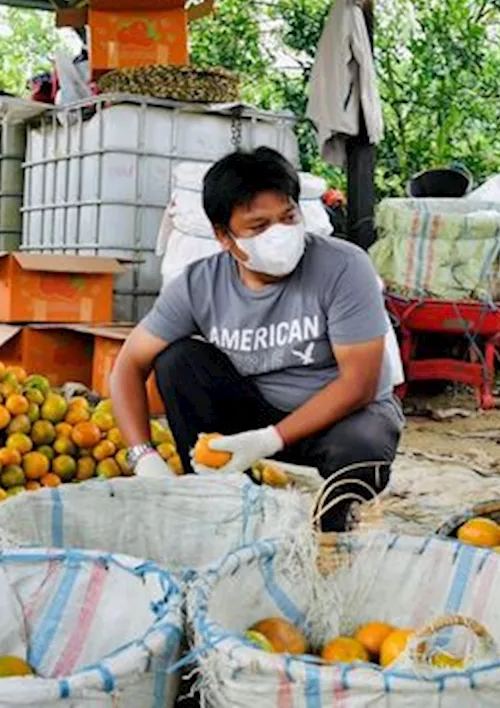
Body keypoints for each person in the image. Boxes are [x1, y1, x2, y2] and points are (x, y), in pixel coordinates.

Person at [110, 148, 403, 532]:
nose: (278, 234)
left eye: (288, 217)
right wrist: (143, 456)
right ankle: (219, 506)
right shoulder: (199, 285)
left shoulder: (344, 267)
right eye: (258, 226)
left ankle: (332, 528)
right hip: (257, 411)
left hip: (341, 417)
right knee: (178, 361)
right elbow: (128, 367)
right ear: (223, 236)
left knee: (363, 447)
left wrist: (269, 441)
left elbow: (360, 383)